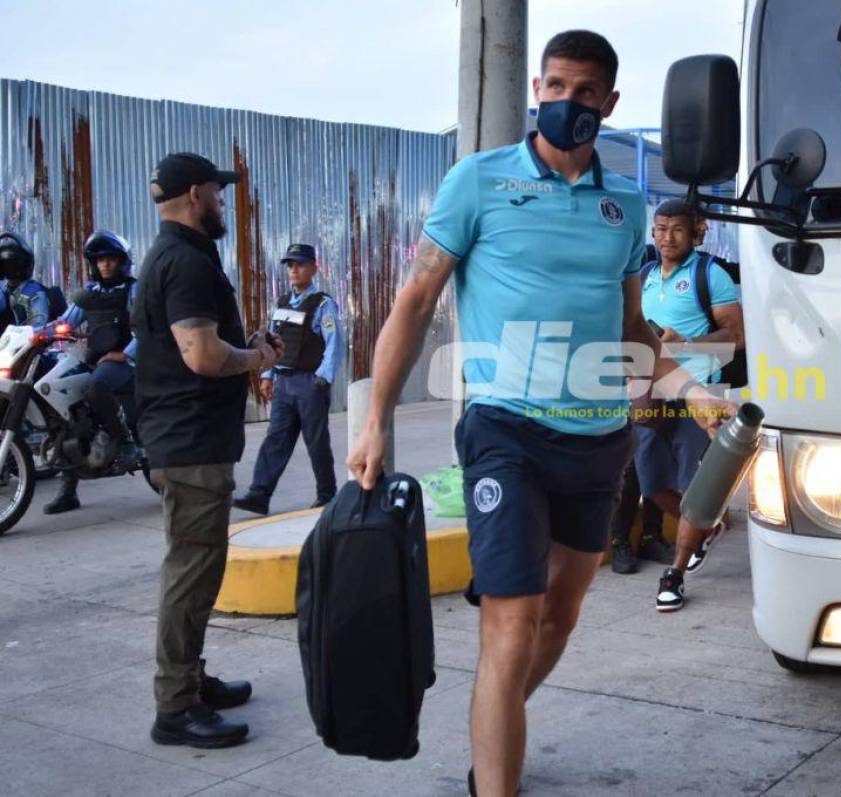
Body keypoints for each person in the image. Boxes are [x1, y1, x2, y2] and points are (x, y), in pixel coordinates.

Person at [345, 31, 732, 797]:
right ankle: (497, 777)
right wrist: (375, 417)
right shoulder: (477, 181)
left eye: (584, 91)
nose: (566, 102)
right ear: (537, 90)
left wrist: (694, 390)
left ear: (609, 103)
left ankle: (495, 720)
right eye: (554, 86)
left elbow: (631, 330)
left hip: (597, 439)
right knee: (511, 624)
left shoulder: (624, 204)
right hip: (505, 431)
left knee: (559, 620)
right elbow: (415, 300)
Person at [134, 152, 283, 749]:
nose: (223, 201)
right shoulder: (185, 261)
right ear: (196, 195)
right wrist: (256, 359)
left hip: (186, 438)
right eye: (218, 193)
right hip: (189, 443)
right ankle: (175, 708)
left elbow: (193, 347)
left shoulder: (172, 256)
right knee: (191, 575)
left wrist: (240, 347)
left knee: (196, 568)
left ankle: (190, 679)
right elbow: (200, 356)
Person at [639, 199, 744, 612]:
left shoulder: (711, 275)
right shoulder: (645, 276)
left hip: (701, 393)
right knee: (652, 485)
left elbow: (737, 337)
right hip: (651, 391)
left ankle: (675, 575)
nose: (667, 237)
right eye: (661, 229)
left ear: (695, 232)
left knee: (692, 487)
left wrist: (684, 343)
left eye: (677, 229)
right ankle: (708, 526)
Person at [233, 243, 342, 514]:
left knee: (316, 442)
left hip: (309, 384)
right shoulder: (281, 303)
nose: (294, 269)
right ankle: (259, 495)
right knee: (276, 440)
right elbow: (271, 343)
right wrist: (267, 375)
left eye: (300, 264)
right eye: (290, 265)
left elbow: (335, 343)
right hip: (284, 384)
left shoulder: (322, 304)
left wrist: (323, 378)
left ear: (314, 268)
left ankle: (327, 495)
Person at [43, 230, 142, 514]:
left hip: (126, 362)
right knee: (64, 415)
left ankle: (126, 444)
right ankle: (68, 489)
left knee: (97, 386)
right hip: (96, 360)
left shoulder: (133, 290)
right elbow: (65, 322)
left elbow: (146, 328)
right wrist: (32, 334)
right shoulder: (90, 294)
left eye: (110, 258)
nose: (105, 265)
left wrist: (125, 353)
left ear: (122, 261)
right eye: (100, 260)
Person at [0, 232, 50, 331]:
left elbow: (39, 325)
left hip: (27, 343)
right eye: (6, 265)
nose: (10, 270)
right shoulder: (2, 288)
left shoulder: (34, 291)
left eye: (13, 265)